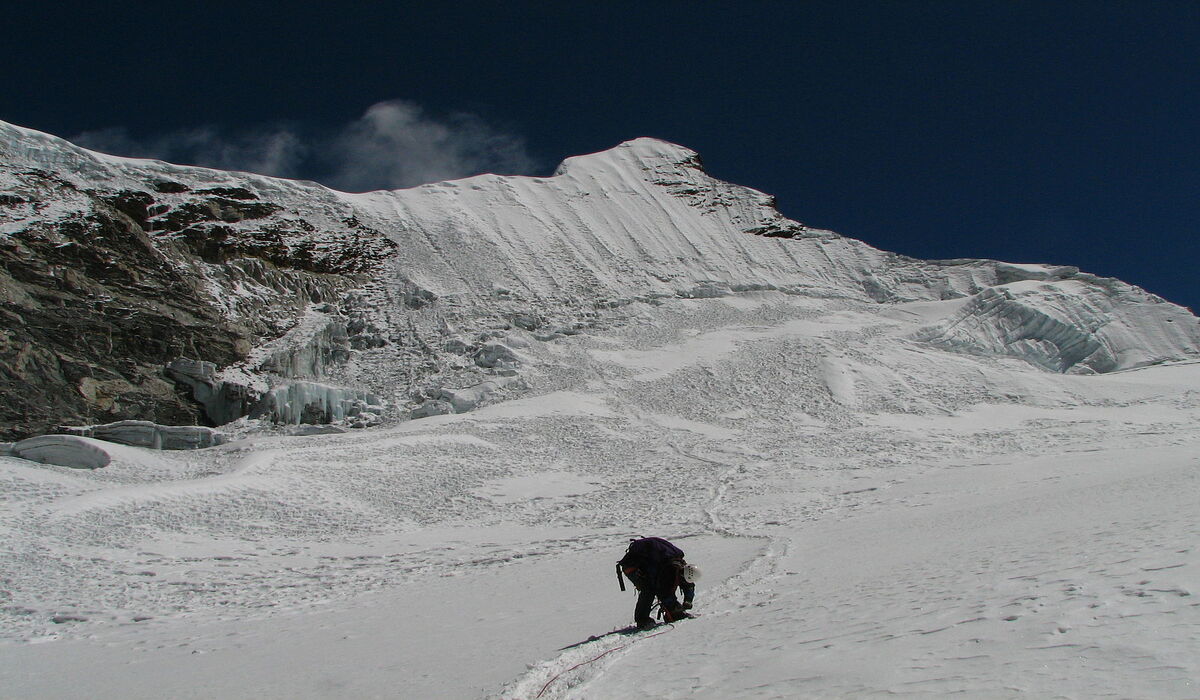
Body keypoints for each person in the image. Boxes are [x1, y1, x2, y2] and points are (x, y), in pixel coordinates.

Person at [616, 536, 700, 629]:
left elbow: (688, 585)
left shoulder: (681, 566)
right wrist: (674, 608)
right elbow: (663, 591)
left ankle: (668, 613)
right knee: (648, 589)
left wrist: (688, 600)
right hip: (632, 566)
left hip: (648, 565)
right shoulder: (670, 570)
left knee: (652, 586)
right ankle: (642, 620)